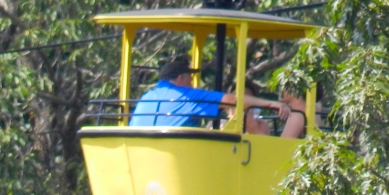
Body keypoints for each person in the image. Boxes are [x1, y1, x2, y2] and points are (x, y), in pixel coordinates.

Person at [129, 56, 304, 136]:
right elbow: (232, 101)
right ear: (180, 79)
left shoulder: (147, 97)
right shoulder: (186, 96)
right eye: (190, 79)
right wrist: (271, 104)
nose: (192, 84)